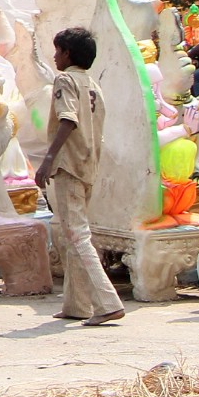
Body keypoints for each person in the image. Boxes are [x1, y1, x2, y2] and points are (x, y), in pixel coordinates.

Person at [34, 27, 125, 326]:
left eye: (58, 51)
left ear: (68, 53)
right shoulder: (92, 84)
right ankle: (77, 304)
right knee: (73, 234)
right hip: (88, 165)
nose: (55, 56)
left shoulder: (65, 80)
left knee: (76, 235)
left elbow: (67, 119)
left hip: (70, 165)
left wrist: (48, 160)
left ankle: (107, 302)